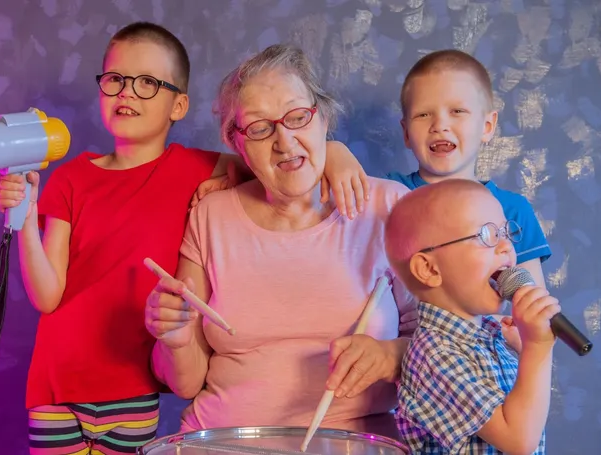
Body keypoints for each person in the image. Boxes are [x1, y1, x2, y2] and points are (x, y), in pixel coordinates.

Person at [0, 22, 368, 455]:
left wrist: (334, 153)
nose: (127, 93)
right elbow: (46, 297)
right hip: (56, 384)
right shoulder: (69, 179)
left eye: (147, 82)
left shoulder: (198, 167)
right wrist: (24, 217)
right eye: (115, 79)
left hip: (132, 386)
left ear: (179, 105)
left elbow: (278, 163)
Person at [144, 43, 418, 440]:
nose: (285, 142)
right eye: (259, 127)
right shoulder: (210, 216)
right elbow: (186, 384)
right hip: (224, 441)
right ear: (237, 144)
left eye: (298, 117)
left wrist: (390, 356)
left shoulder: (389, 207)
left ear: (323, 118)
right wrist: (174, 338)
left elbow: (447, 347)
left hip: (351, 443)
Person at [384, 178, 556, 454]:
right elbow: (518, 440)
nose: (506, 246)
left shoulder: (492, 335)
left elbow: (527, 410)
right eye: (487, 235)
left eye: (506, 232)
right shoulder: (434, 354)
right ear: (429, 269)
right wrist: (538, 348)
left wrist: (526, 349)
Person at [385, 49, 551, 292]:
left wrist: (530, 311)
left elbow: (532, 301)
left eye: (457, 111)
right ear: (406, 133)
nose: (440, 125)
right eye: (423, 114)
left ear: (487, 126)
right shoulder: (387, 195)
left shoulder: (514, 212)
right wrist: (337, 155)